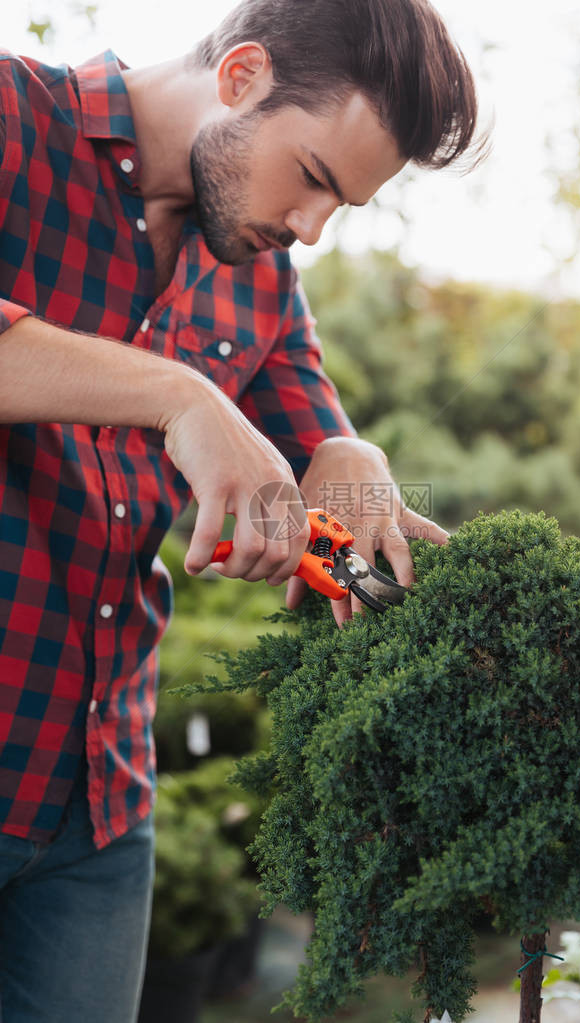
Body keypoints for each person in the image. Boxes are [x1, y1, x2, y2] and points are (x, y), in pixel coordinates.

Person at [0, 0, 483, 1019]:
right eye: (312, 178)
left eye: (339, 207)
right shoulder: (13, 118)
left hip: (94, 811)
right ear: (240, 76)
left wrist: (353, 454)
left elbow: (324, 475)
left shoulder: (255, 275)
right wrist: (177, 393)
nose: (309, 229)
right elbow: (195, 408)